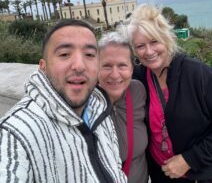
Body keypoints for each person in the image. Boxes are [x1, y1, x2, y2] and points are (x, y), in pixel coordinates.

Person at [0, 19, 127, 183]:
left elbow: (115, 168)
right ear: (43, 67)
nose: (79, 65)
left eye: (89, 55)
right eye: (64, 54)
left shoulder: (101, 111)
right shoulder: (15, 132)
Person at [124, 3, 212, 183]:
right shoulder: (138, 79)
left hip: (202, 175)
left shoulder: (199, 75)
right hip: (161, 176)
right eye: (140, 46)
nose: (149, 52)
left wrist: (189, 160)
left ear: (166, 39)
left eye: (154, 41)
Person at [98, 31, 149, 183]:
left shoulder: (137, 91)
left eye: (122, 65)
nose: (115, 75)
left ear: (132, 69)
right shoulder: (84, 101)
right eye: (107, 66)